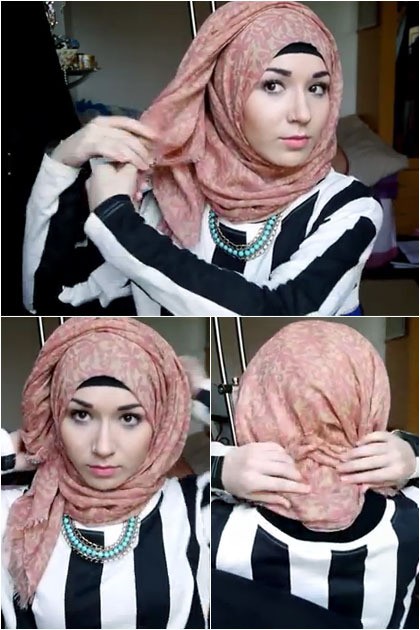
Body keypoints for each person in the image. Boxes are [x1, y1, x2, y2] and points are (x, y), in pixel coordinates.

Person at [23, 1, 382, 316]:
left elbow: (279, 311)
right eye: (273, 85)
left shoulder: (349, 208)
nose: (302, 113)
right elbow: (49, 300)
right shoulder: (169, 193)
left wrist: (118, 223)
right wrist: (62, 162)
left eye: (317, 87)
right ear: (225, 90)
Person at [1, 317, 210, 629]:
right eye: (81, 415)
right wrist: (8, 451)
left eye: (128, 418)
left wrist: (197, 389)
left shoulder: (196, 506)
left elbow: (259, 430)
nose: (102, 447)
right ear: (56, 417)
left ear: (161, 423)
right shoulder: (17, 513)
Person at [211, 320, 419, 629]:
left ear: (256, 402)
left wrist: (220, 468)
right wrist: (411, 453)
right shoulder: (411, 517)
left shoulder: (213, 526)